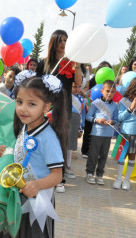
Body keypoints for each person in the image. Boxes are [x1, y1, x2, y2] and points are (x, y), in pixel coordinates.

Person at [0, 75, 67, 238]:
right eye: (19, 102)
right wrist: (7, 153)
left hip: (37, 199)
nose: (23, 109)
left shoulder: (49, 138)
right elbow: (24, 156)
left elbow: (57, 175)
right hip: (18, 195)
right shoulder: (26, 127)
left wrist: (36, 185)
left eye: (31, 104)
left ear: (46, 107)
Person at [36, 29, 82, 193]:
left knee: (60, 140)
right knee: (43, 139)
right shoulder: (45, 62)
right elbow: (37, 85)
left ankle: (58, 177)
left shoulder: (71, 62)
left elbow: (78, 82)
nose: (63, 44)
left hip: (63, 106)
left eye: (66, 40)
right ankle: (42, 174)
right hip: (47, 106)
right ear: (54, 42)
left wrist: (76, 65)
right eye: (61, 40)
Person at [114, 77, 136, 190]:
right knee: (121, 156)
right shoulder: (124, 100)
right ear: (135, 87)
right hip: (125, 132)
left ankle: (127, 179)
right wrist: (130, 108)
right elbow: (119, 118)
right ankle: (118, 178)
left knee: (132, 156)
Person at [85, 80, 118, 185]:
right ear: (102, 90)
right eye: (107, 91)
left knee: (104, 155)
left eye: (112, 91)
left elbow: (116, 120)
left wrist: (112, 121)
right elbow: (88, 116)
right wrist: (97, 120)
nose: (110, 93)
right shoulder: (96, 103)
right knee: (93, 155)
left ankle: (99, 174)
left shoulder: (115, 106)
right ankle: (90, 173)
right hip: (97, 133)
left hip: (108, 134)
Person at [66, 81, 85, 179]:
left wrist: (81, 128)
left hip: (75, 123)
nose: (77, 89)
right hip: (65, 121)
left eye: (79, 86)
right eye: (74, 87)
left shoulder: (81, 99)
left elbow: (83, 114)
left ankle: (67, 166)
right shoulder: (65, 96)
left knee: (70, 146)